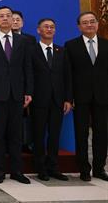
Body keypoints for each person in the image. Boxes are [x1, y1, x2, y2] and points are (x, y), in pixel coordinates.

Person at [0, 6, 33, 184]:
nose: (5, 19)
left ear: (13, 20)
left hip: (18, 94)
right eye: (1, 16)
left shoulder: (23, 41)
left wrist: (28, 91)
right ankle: (0, 171)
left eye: (8, 16)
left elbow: (28, 68)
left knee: (16, 134)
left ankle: (17, 171)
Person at [65, 12, 108, 182]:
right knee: (81, 133)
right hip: (79, 97)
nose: (89, 25)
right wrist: (69, 97)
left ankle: (99, 168)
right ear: (79, 27)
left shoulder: (106, 45)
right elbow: (68, 74)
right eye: (85, 23)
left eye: (92, 22)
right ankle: (83, 168)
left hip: (103, 96)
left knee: (102, 133)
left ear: (97, 24)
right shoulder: (71, 45)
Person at [31, 18, 71, 181]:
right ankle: (40, 168)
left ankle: (53, 167)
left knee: (55, 135)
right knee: (38, 135)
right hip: (38, 100)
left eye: (52, 27)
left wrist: (68, 99)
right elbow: (29, 75)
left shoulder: (61, 51)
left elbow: (67, 77)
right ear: (38, 30)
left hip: (58, 100)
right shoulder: (31, 50)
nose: (49, 29)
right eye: (45, 27)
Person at [12, 10, 36, 153]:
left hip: (26, 82)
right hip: (8, 84)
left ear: (22, 22)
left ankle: (27, 143)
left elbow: (31, 63)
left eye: (18, 19)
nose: (15, 21)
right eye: (12, 19)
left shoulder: (30, 39)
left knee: (27, 116)